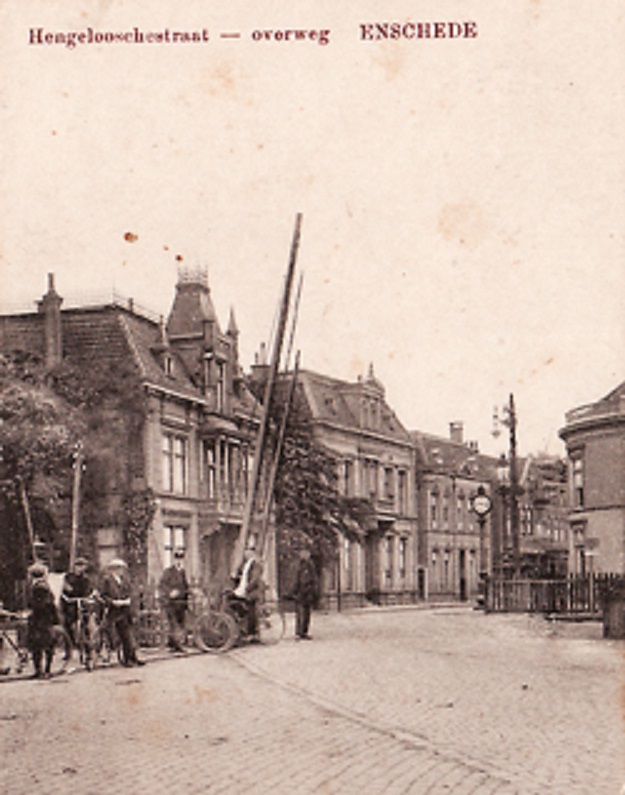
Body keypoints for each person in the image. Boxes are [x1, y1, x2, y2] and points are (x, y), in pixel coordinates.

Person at [100, 559, 145, 667]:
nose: (121, 571)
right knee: (125, 634)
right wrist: (113, 602)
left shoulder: (124, 580)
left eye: (121, 568)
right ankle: (128, 659)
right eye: (118, 568)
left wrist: (129, 600)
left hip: (125, 610)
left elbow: (130, 592)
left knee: (129, 634)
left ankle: (132, 657)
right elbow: (103, 596)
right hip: (114, 611)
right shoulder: (107, 580)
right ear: (113, 570)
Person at [26, 562, 59, 678]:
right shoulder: (43, 585)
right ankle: (43, 670)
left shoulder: (40, 587)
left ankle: (44, 670)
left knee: (41, 645)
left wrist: (31, 610)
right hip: (44, 619)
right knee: (43, 645)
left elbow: (43, 604)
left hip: (41, 620)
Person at [232, 543, 264, 641]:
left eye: (248, 551)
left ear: (252, 553)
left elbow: (254, 579)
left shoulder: (255, 564)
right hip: (244, 589)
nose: (246, 553)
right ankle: (242, 625)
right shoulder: (246, 564)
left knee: (251, 611)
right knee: (233, 602)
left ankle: (252, 633)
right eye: (246, 551)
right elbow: (244, 577)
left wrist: (247, 588)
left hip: (252, 591)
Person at [159, 549, 189, 652]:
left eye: (181, 558)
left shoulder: (183, 572)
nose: (179, 561)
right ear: (173, 559)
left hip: (181, 603)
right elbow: (162, 585)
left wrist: (187, 592)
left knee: (180, 623)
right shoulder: (168, 572)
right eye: (177, 558)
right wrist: (170, 593)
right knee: (173, 623)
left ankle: (173, 644)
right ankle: (178, 645)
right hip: (171, 603)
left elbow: (185, 586)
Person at [60, 557, 93, 649]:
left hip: (82, 602)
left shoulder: (86, 579)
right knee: (68, 623)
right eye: (78, 566)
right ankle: (68, 647)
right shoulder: (68, 577)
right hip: (70, 602)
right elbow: (64, 589)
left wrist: (88, 597)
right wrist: (66, 594)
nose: (80, 568)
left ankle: (87, 646)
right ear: (74, 567)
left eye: (82, 566)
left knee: (85, 622)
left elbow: (88, 590)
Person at [292, 548, 318, 640]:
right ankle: (298, 632)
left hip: (308, 591)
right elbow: (296, 578)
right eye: (302, 553)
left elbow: (314, 578)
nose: (304, 555)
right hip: (301, 592)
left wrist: (313, 591)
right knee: (300, 613)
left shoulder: (310, 565)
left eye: (306, 553)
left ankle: (304, 632)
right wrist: (294, 591)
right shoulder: (298, 565)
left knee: (307, 613)